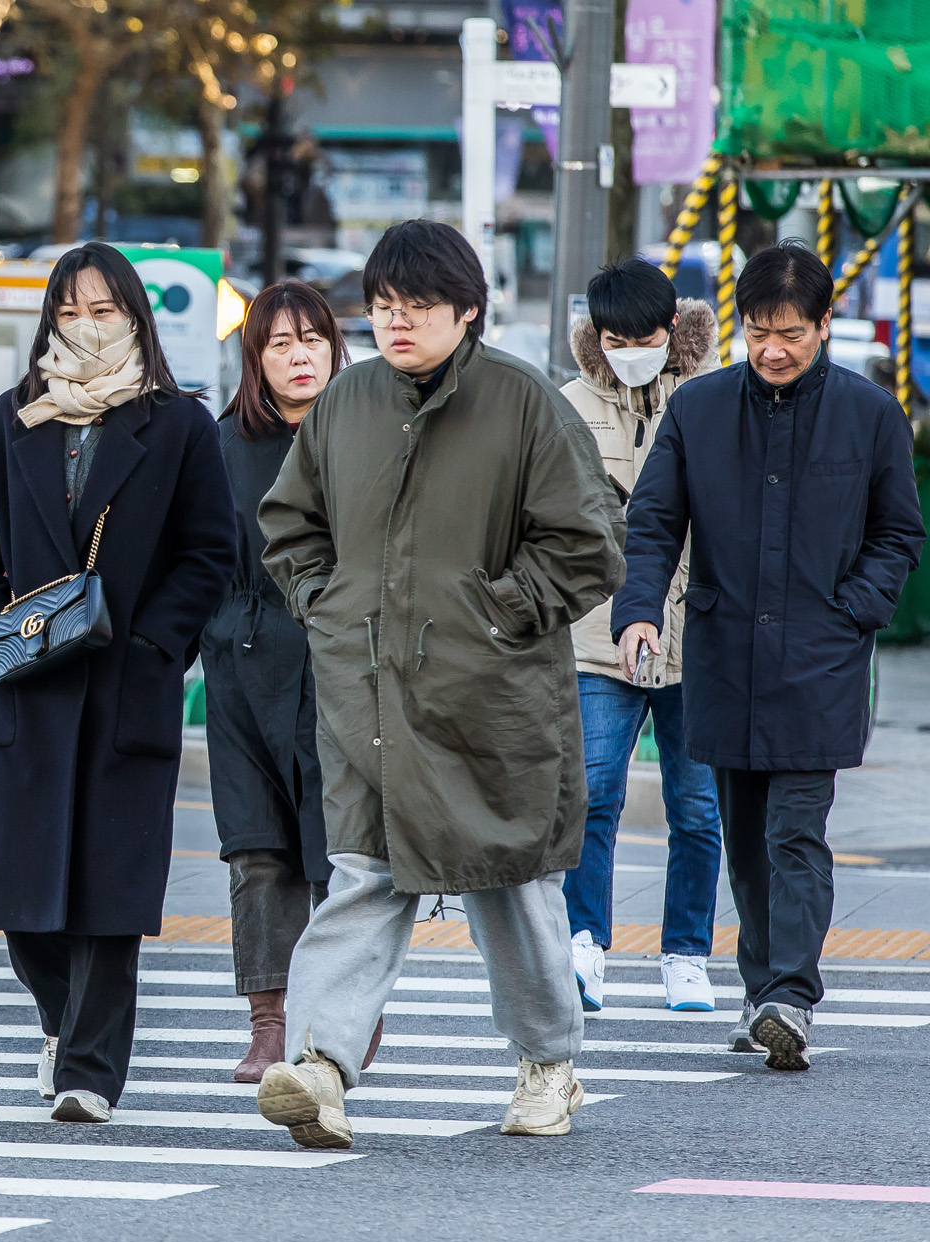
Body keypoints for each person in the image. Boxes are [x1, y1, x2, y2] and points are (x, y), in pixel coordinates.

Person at [254, 219, 623, 1149]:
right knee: (363, 878)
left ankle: (549, 1065)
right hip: (366, 692)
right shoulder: (347, 404)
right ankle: (323, 1067)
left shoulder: (527, 404)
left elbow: (588, 546)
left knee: (513, 887)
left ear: (467, 309)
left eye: (416, 307)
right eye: (382, 307)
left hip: (491, 699)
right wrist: (325, 610)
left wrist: (498, 617)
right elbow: (290, 524)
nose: (395, 323)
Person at [0, 242, 239, 1124]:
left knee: (110, 896)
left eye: (103, 310)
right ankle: (58, 1023)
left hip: (125, 690)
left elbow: (208, 553)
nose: (86, 326)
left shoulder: (178, 424)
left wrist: (153, 647)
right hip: (29, 689)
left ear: (136, 318)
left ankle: (89, 1070)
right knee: (20, 898)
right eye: (69, 311)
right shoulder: (9, 421)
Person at [614, 241, 924, 1070]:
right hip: (722, 654)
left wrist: (850, 610)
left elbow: (899, 534)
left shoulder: (869, 413)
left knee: (795, 831)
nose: (772, 349)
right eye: (757, 331)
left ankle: (791, 994)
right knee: (742, 837)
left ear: (824, 325)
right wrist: (637, 613)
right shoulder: (700, 410)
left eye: (789, 331)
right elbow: (652, 523)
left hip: (818, 660)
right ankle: (764, 997)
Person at [558, 260, 723, 1015]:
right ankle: (583, 943)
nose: (631, 350)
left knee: (697, 807)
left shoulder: (718, 398)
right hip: (597, 634)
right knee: (593, 793)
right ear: (597, 335)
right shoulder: (565, 407)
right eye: (616, 338)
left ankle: (686, 954)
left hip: (699, 634)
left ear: (673, 330)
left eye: (645, 338)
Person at [202, 281, 352, 1083]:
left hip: (343, 665)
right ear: (255, 360)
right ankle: (268, 1023)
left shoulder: (368, 432)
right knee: (256, 850)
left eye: (312, 340)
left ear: (335, 347)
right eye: (279, 344)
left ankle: (341, 1012)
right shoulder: (223, 443)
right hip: (242, 665)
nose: (299, 357)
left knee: (340, 850)